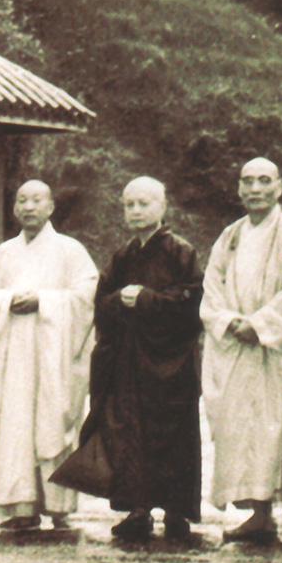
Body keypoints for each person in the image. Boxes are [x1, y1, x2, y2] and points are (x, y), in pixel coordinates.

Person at [52, 177, 203, 542]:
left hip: (171, 362)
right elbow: (102, 302)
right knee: (130, 435)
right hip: (129, 362)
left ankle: (176, 511)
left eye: (143, 204)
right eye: (129, 204)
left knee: (174, 435)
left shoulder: (181, 252)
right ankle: (138, 508)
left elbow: (193, 301)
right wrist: (122, 300)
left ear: (162, 207)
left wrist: (148, 299)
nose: (135, 211)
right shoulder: (123, 255)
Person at [200, 158, 282, 544]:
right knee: (242, 433)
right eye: (247, 181)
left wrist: (261, 324)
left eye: (264, 180)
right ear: (238, 189)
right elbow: (212, 286)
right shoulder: (230, 235)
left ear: (280, 187)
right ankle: (259, 516)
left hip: (276, 348)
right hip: (237, 345)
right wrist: (231, 322)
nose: (255, 189)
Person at [0, 180, 98, 531]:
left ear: (50, 207)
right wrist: (7, 302)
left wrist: (43, 301)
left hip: (52, 355)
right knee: (13, 426)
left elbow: (87, 294)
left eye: (36, 200)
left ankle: (58, 507)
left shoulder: (71, 250)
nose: (29, 207)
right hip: (11, 356)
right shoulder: (3, 253)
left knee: (52, 421)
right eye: (22, 200)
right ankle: (21, 506)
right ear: (15, 208)